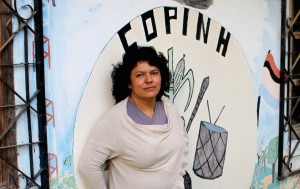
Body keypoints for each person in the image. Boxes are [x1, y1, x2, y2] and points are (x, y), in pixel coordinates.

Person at [78, 45, 188, 189]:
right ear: (129, 83)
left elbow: (182, 147)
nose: (149, 79)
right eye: (140, 75)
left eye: (154, 73)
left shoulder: (170, 110)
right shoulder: (117, 119)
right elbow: (88, 165)